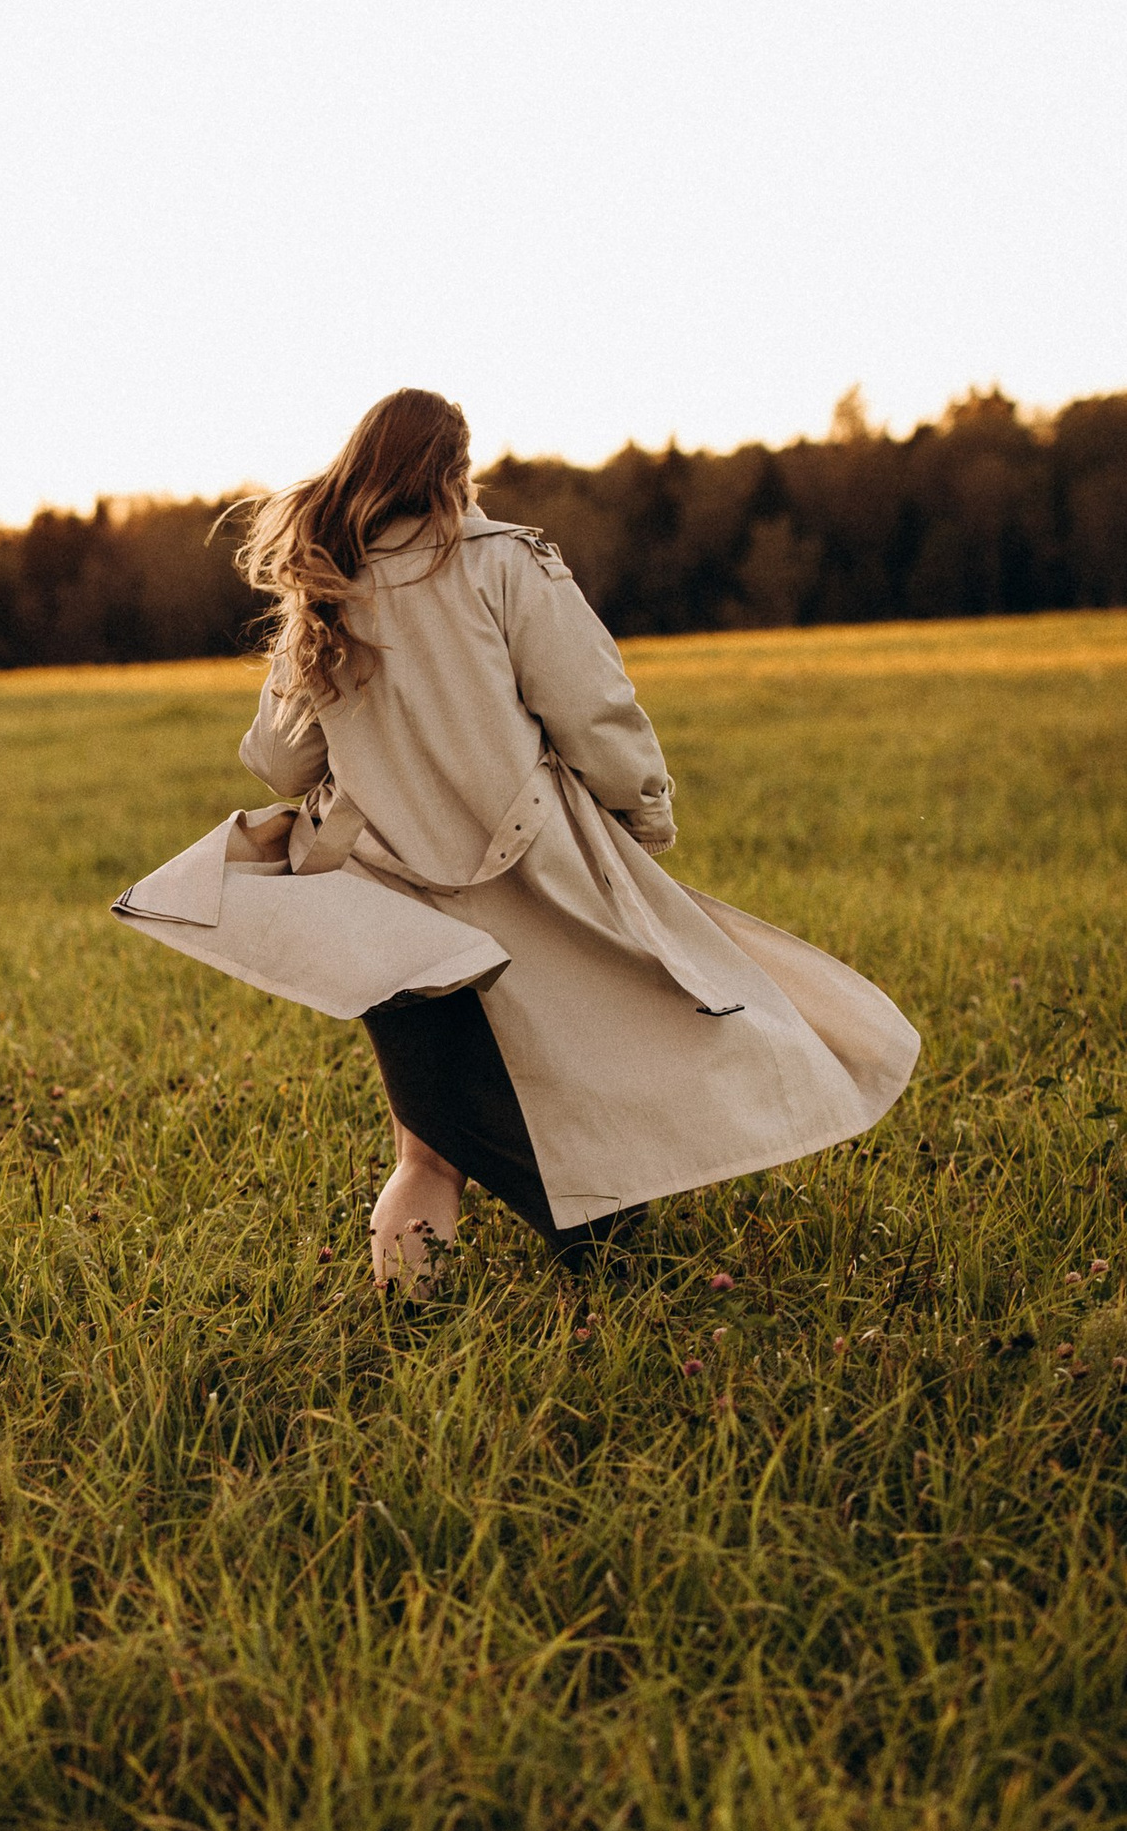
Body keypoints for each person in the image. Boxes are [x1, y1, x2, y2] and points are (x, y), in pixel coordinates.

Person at [225, 390, 917, 1291]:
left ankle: (408, 1325)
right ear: (454, 468)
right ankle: (613, 1295)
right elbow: (593, 710)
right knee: (590, 1084)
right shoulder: (507, 562)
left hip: (391, 907)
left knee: (429, 1153)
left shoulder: (328, 583)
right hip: (538, 885)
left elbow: (281, 764)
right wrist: (645, 815)